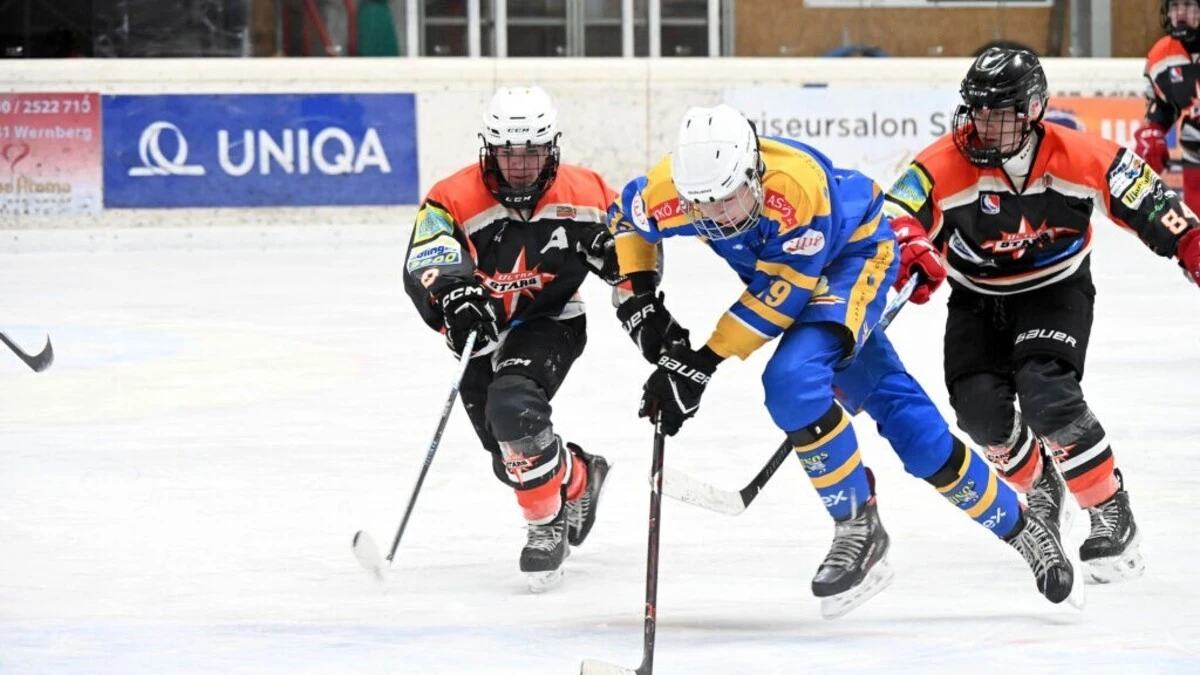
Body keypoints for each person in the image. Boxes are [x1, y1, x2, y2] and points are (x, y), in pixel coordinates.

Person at [607, 103, 1082, 618]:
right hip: (786, 273)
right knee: (911, 428)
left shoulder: (796, 188)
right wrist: (642, 301)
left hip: (852, 257)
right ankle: (1022, 523)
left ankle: (858, 523)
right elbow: (626, 220)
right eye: (703, 206)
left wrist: (698, 364)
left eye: (728, 199)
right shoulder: (675, 192)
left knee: (792, 381)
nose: (718, 217)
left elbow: (779, 298)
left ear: (753, 172)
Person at [883, 47, 1200, 584]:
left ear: (1032, 110)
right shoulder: (942, 164)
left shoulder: (1078, 154)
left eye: (997, 114)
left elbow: (1147, 197)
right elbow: (893, 213)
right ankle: (1040, 484)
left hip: (1056, 288)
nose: (981, 126)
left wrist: (1189, 240)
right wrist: (903, 243)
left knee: (1047, 394)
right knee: (979, 414)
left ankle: (1110, 510)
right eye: (976, 111)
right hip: (977, 297)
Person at [402, 85, 621, 591]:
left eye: (533, 153)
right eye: (508, 153)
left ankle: (546, 527)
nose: (520, 166)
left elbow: (637, 251)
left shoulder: (587, 193)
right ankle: (579, 476)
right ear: (489, 149)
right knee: (511, 458)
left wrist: (625, 269)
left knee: (512, 408)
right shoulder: (451, 197)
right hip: (482, 333)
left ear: (552, 148)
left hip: (551, 319)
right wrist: (454, 298)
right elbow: (425, 259)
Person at [1135, 0, 1200, 213]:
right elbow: (1163, 104)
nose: (1180, 12)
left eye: (1188, 5)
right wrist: (1153, 131)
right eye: (1175, 5)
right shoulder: (1162, 56)